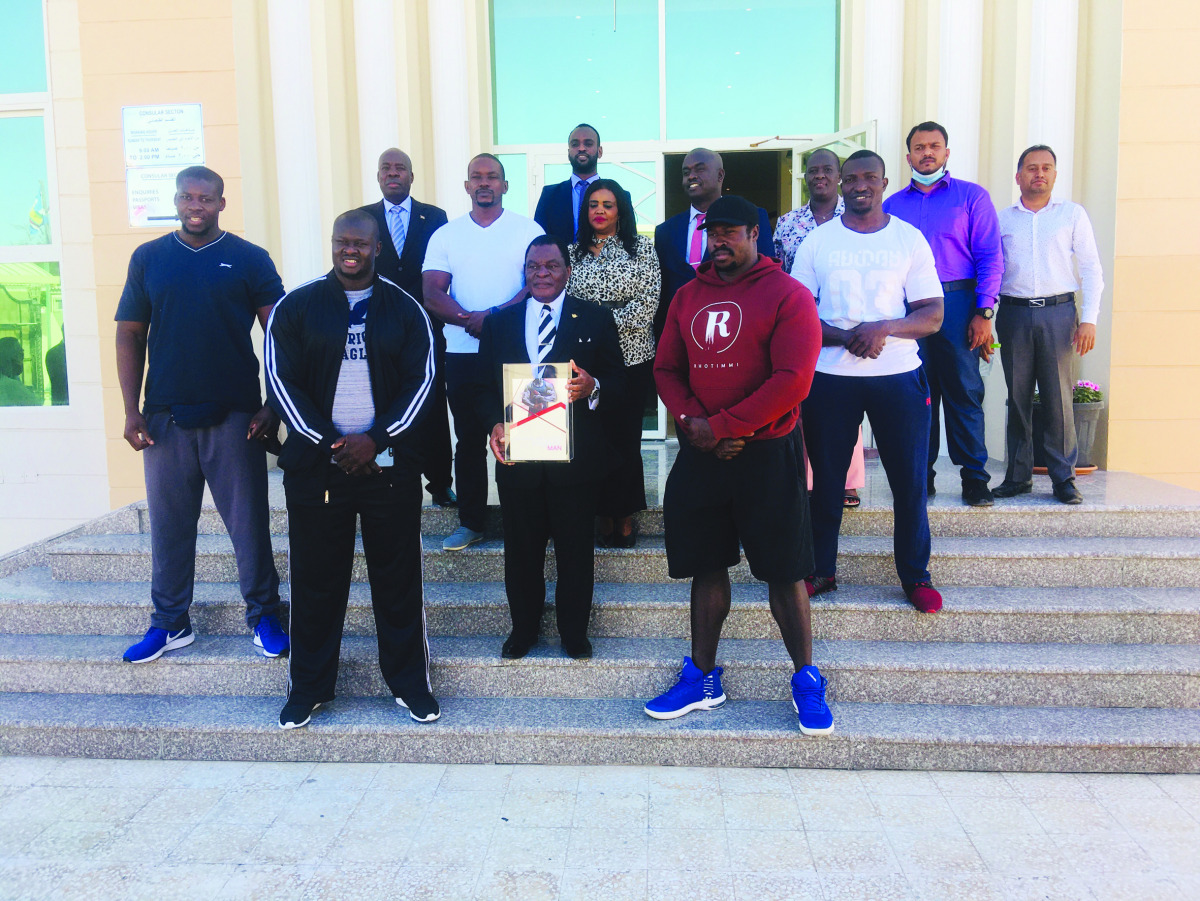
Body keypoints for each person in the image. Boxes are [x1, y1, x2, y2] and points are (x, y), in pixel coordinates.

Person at [648, 195, 832, 736]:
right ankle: (703, 676)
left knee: (784, 571)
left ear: (756, 234)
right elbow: (667, 367)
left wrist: (723, 427)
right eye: (713, 232)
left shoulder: (788, 295)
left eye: (731, 232)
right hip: (703, 453)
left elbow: (793, 380)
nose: (719, 241)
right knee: (706, 565)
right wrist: (696, 425)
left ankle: (805, 678)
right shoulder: (688, 295)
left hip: (767, 455)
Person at [265, 209, 438, 729]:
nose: (350, 250)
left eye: (360, 243)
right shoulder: (296, 307)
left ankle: (410, 685)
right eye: (342, 241)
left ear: (377, 247)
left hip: (388, 468)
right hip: (318, 470)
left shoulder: (406, 309)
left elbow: (422, 383)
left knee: (398, 581)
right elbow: (281, 382)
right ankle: (309, 689)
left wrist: (377, 439)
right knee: (316, 582)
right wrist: (332, 442)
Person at [114, 166, 288, 664]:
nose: (196, 205)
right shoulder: (149, 258)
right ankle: (170, 624)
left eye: (205, 198)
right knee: (169, 525)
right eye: (187, 197)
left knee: (249, 524)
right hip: (165, 417)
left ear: (221, 203)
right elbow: (130, 334)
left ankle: (265, 617)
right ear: (175, 201)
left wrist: (273, 405)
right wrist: (131, 411)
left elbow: (280, 338)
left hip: (236, 415)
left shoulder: (249, 258)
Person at [792, 150, 945, 613]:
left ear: (883, 182)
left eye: (869, 178)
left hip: (897, 375)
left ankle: (915, 575)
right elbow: (798, 314)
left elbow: (933, 315)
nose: (860, 185)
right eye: (851, 178)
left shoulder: (908, 239)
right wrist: (848, 336)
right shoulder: (818, 242)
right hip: (831, 377)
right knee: (827, 481)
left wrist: (883, 328)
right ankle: (822, 570)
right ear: (839, 184)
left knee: (909, 480)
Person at [479, 235, 624, 660]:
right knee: (520, 552)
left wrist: (593, 386)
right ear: (524, 272)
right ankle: (522, 631)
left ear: (567, 270)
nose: (542, 274)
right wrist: (493, 423)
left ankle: (573, 634)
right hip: (519, 460)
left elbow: (619, 381)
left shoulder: (595, 319)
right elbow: (482, 388)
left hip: (575, 463)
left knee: (575, 552)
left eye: (551, 266)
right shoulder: (499, 324)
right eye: (533, 267)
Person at [422, 154, 544, 551]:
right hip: (462, 352)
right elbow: (432, 291)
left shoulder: (528, 230)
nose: (484, 182)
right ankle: (471, 521)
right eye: (477, 176)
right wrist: (468, 319)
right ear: (466, 186)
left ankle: (527, 521)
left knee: (527, 435)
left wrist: (492, 320)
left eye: (493, 176)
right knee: (469, 441)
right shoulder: (446, 235)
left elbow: (537, 284)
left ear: (506, 185)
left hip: (520, 352)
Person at [883, 122, 1003, 507]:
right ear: (909, 157)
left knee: (964, 392)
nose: (927, 153)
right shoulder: (892, 206)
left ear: (947, 153)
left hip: (958, 304)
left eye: (935, 146)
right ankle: (922, 477)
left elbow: (990, 257)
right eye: (919, 147)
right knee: (916, 396)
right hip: (909, 309)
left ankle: (974, 479)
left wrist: (984, 312)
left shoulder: (972, 197)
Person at [994, 145, 1104, 505]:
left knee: (1058, 396)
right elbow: (991, 271)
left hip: (1059, 314)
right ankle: (1018, 475)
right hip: (1014, 314)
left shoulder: (1071, 215)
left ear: (1055, 175)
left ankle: (1063, 478)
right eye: (1031, 168)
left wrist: (1088, 319)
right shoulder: (1002, 219)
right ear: (1018, 176)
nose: (1038, 173)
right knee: (1018, 396)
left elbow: (1090, 268)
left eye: (1046, 168)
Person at [567, 178, 661, 547]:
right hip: (589, 362)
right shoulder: (572, 252)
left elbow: (647, 304)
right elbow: (569, 305)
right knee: (594, 438)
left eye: (607, 204)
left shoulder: (642, 249)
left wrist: (601, 324)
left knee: (624, 438)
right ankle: (600, 513)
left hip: (632, 357)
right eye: (593, 204)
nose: (600, 211)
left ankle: (623, 515)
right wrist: (594, 330)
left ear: (620, 209)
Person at [358, 147, 454, 507]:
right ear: (378, 176)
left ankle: (440, 482)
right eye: (386, 168)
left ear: (412, 177)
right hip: (377, 328)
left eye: (401, 168)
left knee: (430, 403)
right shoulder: (361, 218)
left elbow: (443, 269)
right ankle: (387, 471)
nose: (393, 173)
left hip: (427, 328)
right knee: (383, 400)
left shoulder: (435, 217)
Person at [773, 148, 865, 508]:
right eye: (813, 171)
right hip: (801, 324)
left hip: (847, 325)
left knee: (847, 402)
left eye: (827, 169)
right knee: (804, 400)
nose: (820, 176)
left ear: (839, 175)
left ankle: (847, 481)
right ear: (805, 177)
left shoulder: (856, 216)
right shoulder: (788, 223)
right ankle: (805, 477)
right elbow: (779, 274)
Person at [653, 148, 774, 340]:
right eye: (686, 172)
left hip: (735, 329)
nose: (692, 176)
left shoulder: (752, 217)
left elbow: (766, 278)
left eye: (699, 169)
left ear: (720, 175)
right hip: (680, 336)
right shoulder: (665, 231)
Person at [534, 123, 632, 242]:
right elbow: (540, 240)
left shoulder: (620, 196)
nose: (581, 148)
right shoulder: (549, 195)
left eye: (588, 144)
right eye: (575, 144)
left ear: (600, 151)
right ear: (569, 152)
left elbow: (629, 239)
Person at [0, 337, 39, 405]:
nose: (22, 361)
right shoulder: (11, 385)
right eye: (20, 354)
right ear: (8, 357)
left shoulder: (15, 378)